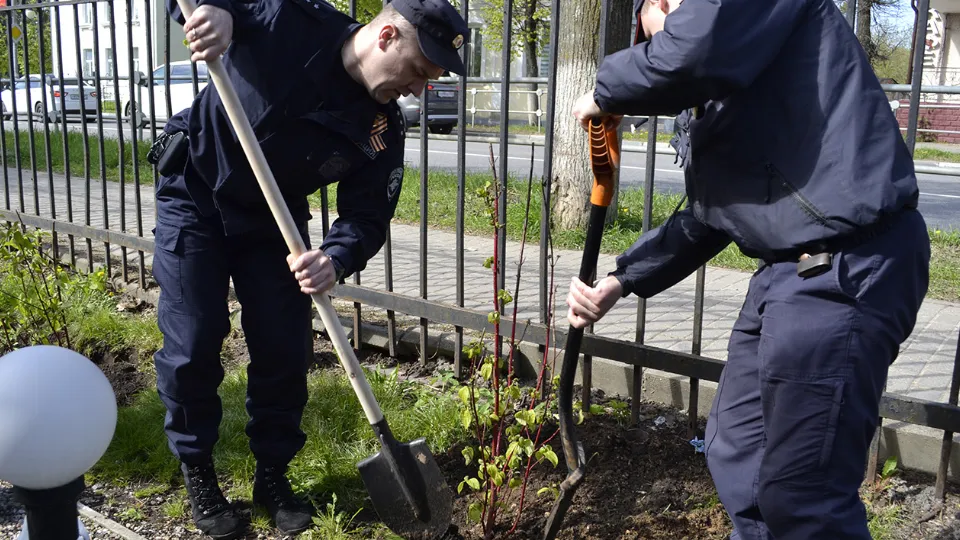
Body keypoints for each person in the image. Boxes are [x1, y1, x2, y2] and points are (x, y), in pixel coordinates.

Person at [566, 0, 930, 538]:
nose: (651, 48)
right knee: (737, 451)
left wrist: (606, 87)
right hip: (790, 273)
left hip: (847, 265)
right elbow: (710, 211)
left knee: (803, 494)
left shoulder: (728, 33)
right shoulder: (737, 71)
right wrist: (622, 278)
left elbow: (693, 50)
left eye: (649, 36)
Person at [148, 0, 467, 536]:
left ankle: (272, 476)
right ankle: (198, 469)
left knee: (284, 347)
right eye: (417, 71)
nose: (417, 90)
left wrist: (334, 258)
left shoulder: (382, 128)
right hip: (196, 192)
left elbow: (366, 217)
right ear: (386, 35)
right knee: (195, 337)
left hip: (276, 220)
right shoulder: (287, 17)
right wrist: (218, 13)